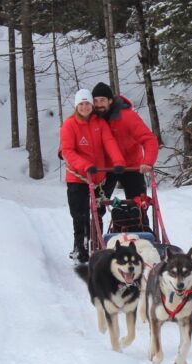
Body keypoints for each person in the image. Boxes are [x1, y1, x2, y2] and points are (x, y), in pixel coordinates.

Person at [60, 88, 125, 263]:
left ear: (91, 105)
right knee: (79, 214)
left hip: (98, 177)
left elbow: (109, 142)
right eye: (81, 104)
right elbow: (67, 151)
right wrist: (85, 165)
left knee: (98, 211)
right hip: (78, 177)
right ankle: (79, 246)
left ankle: (96, 242)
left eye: (87, 103)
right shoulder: (70, 124)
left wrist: (118, 161)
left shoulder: (99, 123)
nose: (84, 107)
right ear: (76, 106)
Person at [91, 82, 159, 220]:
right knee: (97, 207)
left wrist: (148, 162)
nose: (99, 104)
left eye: (102, 100)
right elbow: (75, 131)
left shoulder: (126, 117)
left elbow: (149, 139)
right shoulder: (92, 118)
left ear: (110, 100)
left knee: (139, 206)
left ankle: (142, 234)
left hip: (131, 166)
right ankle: (95, 240)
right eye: (96, 101)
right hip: (106, 169)